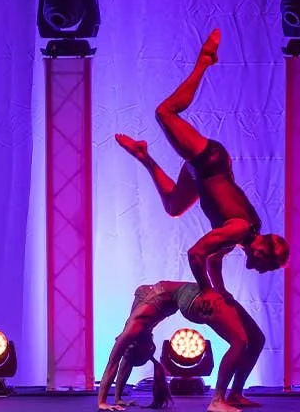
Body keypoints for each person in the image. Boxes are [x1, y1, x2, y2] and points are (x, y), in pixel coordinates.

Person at [115, 28, 289, 296]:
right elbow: (197, 253)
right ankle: (204, 62)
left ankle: (143, 155)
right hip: (209, 162)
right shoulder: (240, 229)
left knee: (174, 207)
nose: (259, 271)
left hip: (201, 173)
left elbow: (213, 259)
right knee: (165, 112)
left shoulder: (236, 240)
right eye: (266, 266)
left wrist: (221, 293)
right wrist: (207, 291)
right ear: (262, 250)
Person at [97, 281, 266, 412]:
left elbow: (113, 363)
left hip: (186, 295)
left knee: (247, 340)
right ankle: (227, 397)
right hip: (181, 295)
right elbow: (123, 361)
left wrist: (102, 401)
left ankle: (230, 396)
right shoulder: (137, 331)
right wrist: (116, 399)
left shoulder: (133, 330)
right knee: (246, 341)